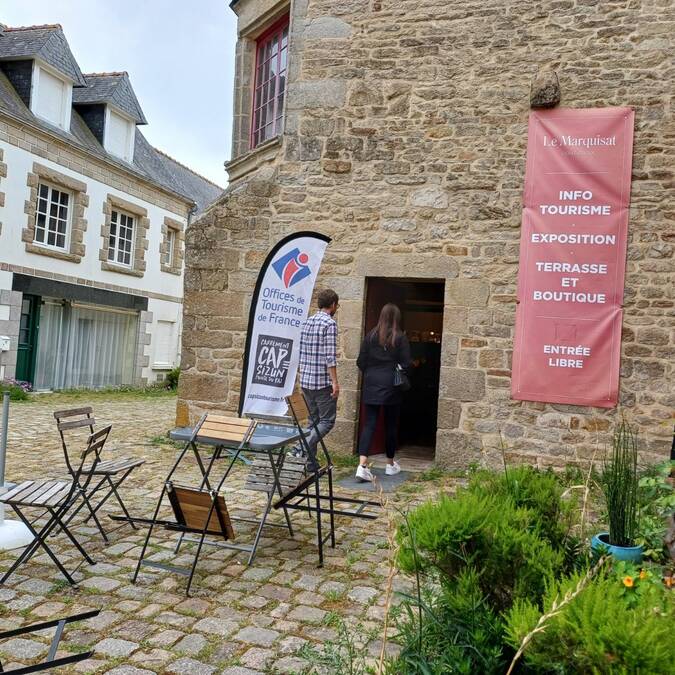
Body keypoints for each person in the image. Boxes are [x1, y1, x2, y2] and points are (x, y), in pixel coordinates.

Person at [355, 303, 411, 482]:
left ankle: (362, 466)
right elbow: (407, 363)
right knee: (391, 426)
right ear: (397, 318)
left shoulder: (370, 336)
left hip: (372, 383)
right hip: (391, 386)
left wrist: (372, 373)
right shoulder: (400, 337)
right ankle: (389, 464)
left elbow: (360, 361)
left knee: (369, 424)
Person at [296, 288, 340, 472]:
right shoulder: (329, 324)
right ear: (332, 305)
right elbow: (330, 357)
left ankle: (310, 464)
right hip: (321, 383)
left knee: (313, 421)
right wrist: (335, 383)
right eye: (337, 305)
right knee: (327, 421)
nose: (337, 307)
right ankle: (300, 447)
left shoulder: (307, 322)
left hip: (306, 381)